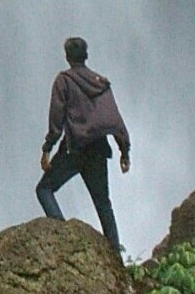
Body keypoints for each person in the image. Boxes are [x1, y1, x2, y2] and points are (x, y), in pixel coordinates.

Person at [37, 36, 130, 253]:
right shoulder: (101, 83)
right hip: (98, 149)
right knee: (103, 203)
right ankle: (115, 255)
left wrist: (47, 149)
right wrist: (124, 152)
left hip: (74, 149)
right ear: (85, 56)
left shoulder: (64, 81)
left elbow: (56, 120)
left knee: (44, 189)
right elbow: (114, 119)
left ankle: (63, 236)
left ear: (67, 56)